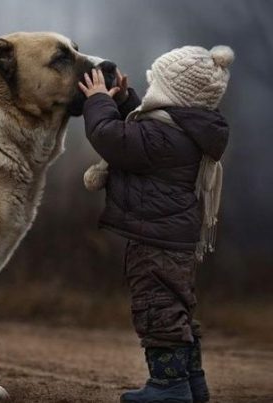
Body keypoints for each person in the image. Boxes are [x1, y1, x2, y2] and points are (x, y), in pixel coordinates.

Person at [77, 45, 234, 403]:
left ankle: (169, 388)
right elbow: (141, 135)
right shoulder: (183, 131)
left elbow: (110, 137)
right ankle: (192, 382)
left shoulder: (163, 138)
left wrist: (98, 101)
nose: (149, 92)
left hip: (155, 241)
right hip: (172, 239)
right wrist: (123, 100)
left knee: (157, 310)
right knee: (175, 307)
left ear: (172, 93)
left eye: (154, 84)